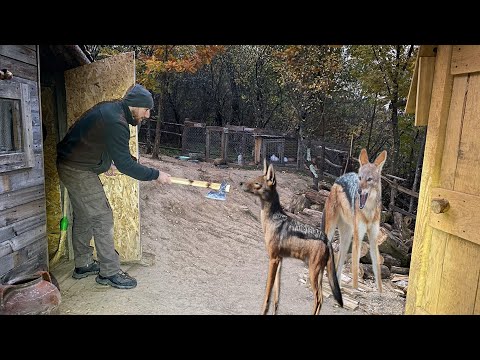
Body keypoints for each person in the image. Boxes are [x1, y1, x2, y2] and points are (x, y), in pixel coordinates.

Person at [56, 84, 172, 289]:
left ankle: (82, 264)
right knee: (102, 216)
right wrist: (156, 175)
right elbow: (126, 164)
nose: (147, 115)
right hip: (77, 169)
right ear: (135, 106)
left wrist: (107, 163)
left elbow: (106, 145)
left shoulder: (114, 112)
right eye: (146, 109)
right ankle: (109, 272)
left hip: (72, 164)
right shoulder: (116, 120)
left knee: (85, 216)